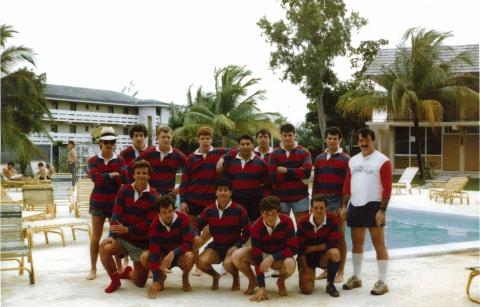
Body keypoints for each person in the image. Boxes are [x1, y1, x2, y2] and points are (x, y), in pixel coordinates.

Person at [340, 127, 392, 296]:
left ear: (372, 140)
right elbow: (347, 184)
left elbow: (387, 188)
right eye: (361, 140)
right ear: (358, 142)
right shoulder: (352, 161)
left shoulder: (382, 161)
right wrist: (344, 205)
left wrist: (382, 210)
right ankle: (356, 277)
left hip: (374, 205)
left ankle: (383, 281)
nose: (363, 143)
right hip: (355, 205)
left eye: (367, 140)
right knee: (356, 244)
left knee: (379, 245)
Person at [99, 160, 159, 293]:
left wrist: (128, 229)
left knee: (140, 283)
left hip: (141, 244)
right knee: (104, 247)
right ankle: (115, 281)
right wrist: (111, 236)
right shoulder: (124, 191)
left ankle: (128, 272)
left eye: (144, 173)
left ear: (149, 175)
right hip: (123, 240)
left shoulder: (155, 196)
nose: (141, 175)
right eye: (138, 173)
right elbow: (116, 215)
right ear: (133, 175)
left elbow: (149, 224)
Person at [232, 196, 297, 302]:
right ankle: (254, 281)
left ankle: (281, 281)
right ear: (262, 213)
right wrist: (262, 287)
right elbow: (257, 258)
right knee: (236, 255)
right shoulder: (256, 227)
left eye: (274, 214)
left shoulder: (287, 221)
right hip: (262, 254)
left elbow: (294, 249)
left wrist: (272, 258)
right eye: (267, 214)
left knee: (290, 263)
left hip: (279, 256)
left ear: (279, 212)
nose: (270, 218)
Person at [87, 126, 129, 280]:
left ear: (115, 143)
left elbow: (124, 180)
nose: (109, 144)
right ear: (100, 143)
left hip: (115, 204)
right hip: (97, 203)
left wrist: (104, 176)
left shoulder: (120, 160)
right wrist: (112, 174)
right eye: (106, 142)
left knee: (116, 237)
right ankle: (93, 268)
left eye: (112, 142)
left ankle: (118, 268)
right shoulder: (93, 160)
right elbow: (95, 179)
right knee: (95, 237)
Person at [194, 177, 250, 291]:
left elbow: (247, 231)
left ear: (231, 193)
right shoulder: (209, 210)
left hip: (233, 246)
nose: (223, 192)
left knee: (229, 264)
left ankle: (236, 278)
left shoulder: (239, 210)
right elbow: (197, 225)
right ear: (215, 192)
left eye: (226, 190)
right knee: (201, 262)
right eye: (220, 190)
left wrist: (237, 245)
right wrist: (196, 234)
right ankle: (215, 276)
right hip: (216, 245)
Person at [312, 126, 349, 282]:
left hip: (337, 201)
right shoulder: (319, 159)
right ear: (326, 139)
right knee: (323, 236)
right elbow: (316, 183)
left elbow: (348, 185)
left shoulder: (346, 159)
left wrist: (343, 206)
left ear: (339, 140)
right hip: (322, 202)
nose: (332, 140)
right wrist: (312, 204)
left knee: (340, 237)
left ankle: (340, 271)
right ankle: (328, 270)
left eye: (335, 138)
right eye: (330, 138)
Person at [142, 195, 194, 298]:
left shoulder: (183, 218)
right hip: (163, 257)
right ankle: (161, 277)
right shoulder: (154, 225)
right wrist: (155, 279)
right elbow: (154, 252)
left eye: (170, 211)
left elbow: (189, 243)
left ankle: (185, 276)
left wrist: (174, 252)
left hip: (179, 255)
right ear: (159, 213)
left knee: (190, 256)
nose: (168, 215)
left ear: (174, 209)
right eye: (164, 212)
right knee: (144, 256)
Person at [297, 194, 341, 297]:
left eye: (321, 208)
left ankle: (330, 284)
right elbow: (300, 249)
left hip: (323, 256)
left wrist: (313, 248)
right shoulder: (303, 222)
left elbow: (334, 243)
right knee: (306, 290)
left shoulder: (332, 219)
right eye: (316, 208)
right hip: (307, 259)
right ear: (311, 209)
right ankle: (306, 273)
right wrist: (306, 269)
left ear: (326, 208)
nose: (319, 211)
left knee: (335, 253)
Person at [268, 123, 312, 225]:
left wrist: (285, 170)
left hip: (300, 197)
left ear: (295, 135)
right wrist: (297, 172)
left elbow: (306, 172)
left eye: (290, 135)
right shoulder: (274, 154)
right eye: (285, 135)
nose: (287, 138)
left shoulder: (304, 152)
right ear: (281, 136)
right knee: (282, 230)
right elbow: (272, 176)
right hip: (280, 199)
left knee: (303, 229)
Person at [222, 135, 268, 223]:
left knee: (253, 226)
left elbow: (265, 182)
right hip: (235, 199)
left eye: (248, 144)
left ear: (252, 146)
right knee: (234, 224)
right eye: (242, 144)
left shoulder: (261, 162)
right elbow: (226, 181)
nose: (245, 146)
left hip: (254, 201)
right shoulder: (230, 162)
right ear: (238, 146)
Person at [137, 125, 185, 196]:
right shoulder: (148, 153)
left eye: (168, 137)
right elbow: (131, 167)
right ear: (157, 137)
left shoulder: (178, 155)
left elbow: (191, 171)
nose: (166, 140)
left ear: (172, 138)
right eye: (163, 137)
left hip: (169, 196)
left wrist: (181, 188)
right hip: (150, 195)